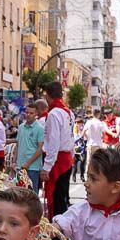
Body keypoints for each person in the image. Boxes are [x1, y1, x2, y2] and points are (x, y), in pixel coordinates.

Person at [39, 82, 75, 216]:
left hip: (57, 161)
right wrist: (72, 155)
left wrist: (46, 167)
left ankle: (56, 233)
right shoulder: (68, 112)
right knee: (62, 197)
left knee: (55, 198)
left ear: (48, 96)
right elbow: (71, 136)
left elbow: (53, 142)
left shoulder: (54, 114)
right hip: (66, 158)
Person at [15, 105, 44, 189]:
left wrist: (28, 163)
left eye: (31, 113)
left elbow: (40, 149)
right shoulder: (21, 127)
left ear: (36, 114)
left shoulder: (39, 128)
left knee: (32, 192)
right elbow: (18, 144)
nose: (28, 115)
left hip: (32, 167)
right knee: (20, 192)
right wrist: (15, 160)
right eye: (27, 112)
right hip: (20, 165)